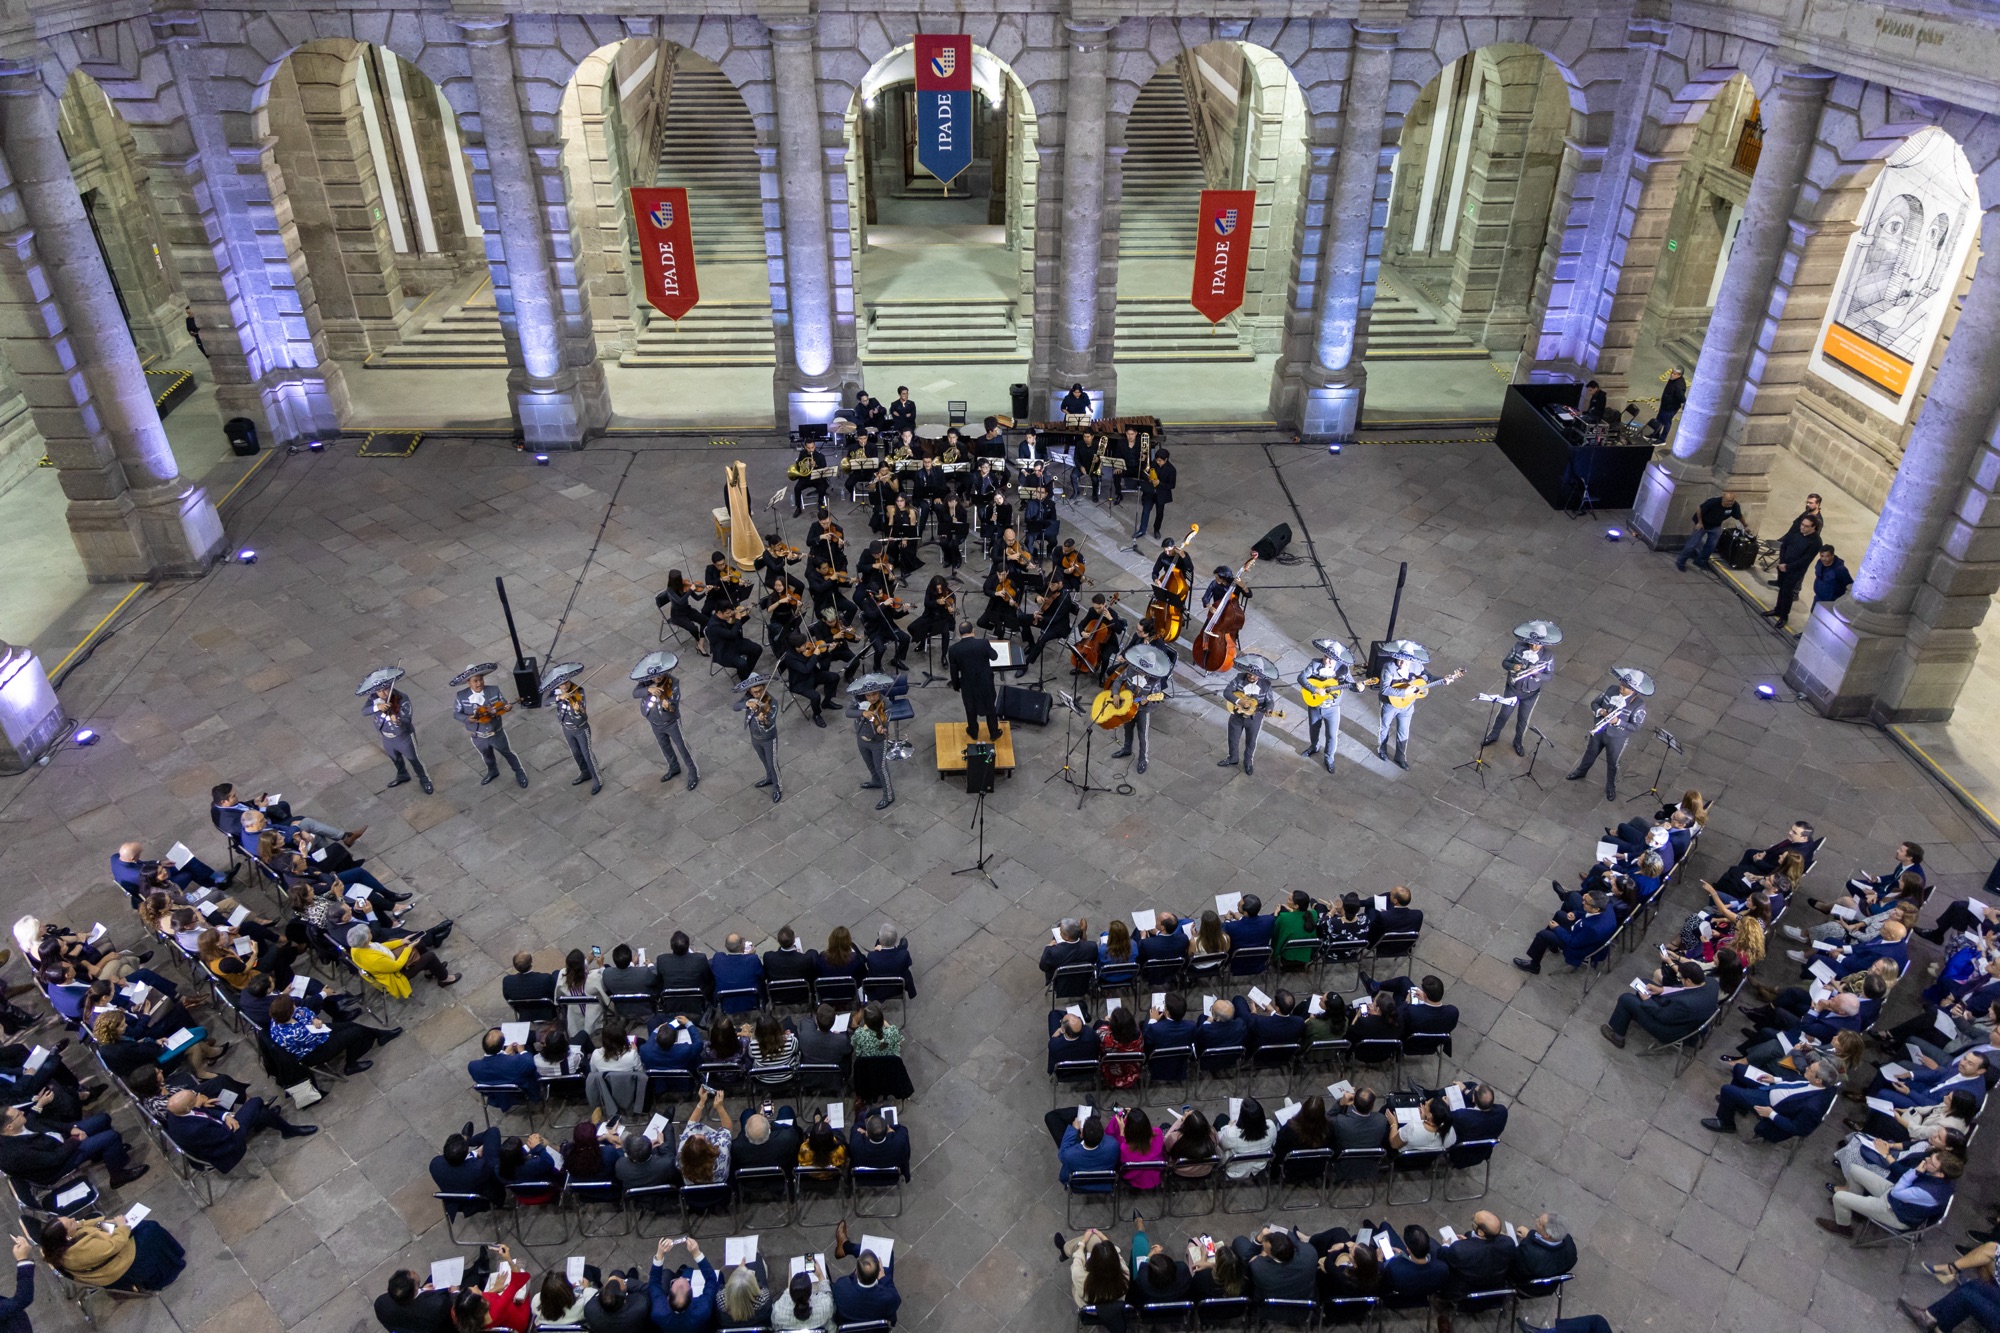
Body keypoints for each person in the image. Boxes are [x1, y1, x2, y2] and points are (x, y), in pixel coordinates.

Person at [161, 1087, 316, 1169]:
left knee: (260, 1112)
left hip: (218, 1129)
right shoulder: (192, 1128)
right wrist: (231, 1120)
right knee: (255, 1102)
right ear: (189, 1106)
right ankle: (284, 1129)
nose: (199, 1094)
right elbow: (223, 1136)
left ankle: (275, 1125)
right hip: (226, 1145)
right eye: (195, 1096)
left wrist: (225, 1116)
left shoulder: (177, 1112)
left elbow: (201, 1112)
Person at [1702, 1055, 1841, 1140]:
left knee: (1727, 1090)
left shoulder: (1813, 1107)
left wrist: (1771, 1114)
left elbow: (1799, 1128)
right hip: (1774, 1087)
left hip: (1771, 1104)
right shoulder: (1819, 1082)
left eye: (1810, 1070)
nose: (1806, 1069)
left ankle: (1726, 1123)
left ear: (1818, 1081)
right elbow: (1795, 1081)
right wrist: (1775, 1079)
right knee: (1739, 1068)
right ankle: (1738, 1104)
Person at [40, 1214, 185, 1292]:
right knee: (151, 1229)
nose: (73, 1219)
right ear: (66, 1236)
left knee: (143, 1225)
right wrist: (121, 1226)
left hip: (106, 1256)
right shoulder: (78, 1252)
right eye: (70, 1223)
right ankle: (166, 1268)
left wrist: (112, 1223)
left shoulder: (56, 1245)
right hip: (119, 1269)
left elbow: (90, 1226)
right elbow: (113, 1246)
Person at [1600, 959, 1718, 1048]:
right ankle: (1634, 1013)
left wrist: (1647, 999)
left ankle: (1618, 1037)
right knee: (1644, 983)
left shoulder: (1686, 1004)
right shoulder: (1711, 983)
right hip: (1679, 1014)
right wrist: (1662, 990)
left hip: (1669, 1029)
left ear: (1689, 980)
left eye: (1681, 978)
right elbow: (1682, 990)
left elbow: (1662, 1016)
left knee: (1625, 999)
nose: (1680, 980)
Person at [1566, 674, 1646, 801]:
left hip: (1617, 738)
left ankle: (1610, 787)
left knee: (1612, 763)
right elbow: (1595, 703)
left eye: (1625, 687)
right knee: (1590, 753)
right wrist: (1600, 711)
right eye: (1622, 684)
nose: (1621, 687)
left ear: (1633, 690)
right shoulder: (1611, 690)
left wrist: (1618, 722)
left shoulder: (1638, 705)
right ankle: (1581, 771)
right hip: (1599, 731)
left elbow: (1635, 727)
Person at [451, 664, 529, 788]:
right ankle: (493, 771)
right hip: (479, 736)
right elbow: (456, 713)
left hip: (496, 733)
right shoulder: (461, 696)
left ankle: (520, 772)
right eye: (475, 681)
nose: (479, 683)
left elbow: (502, 704)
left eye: (480, 679)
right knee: (487, 756)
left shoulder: (494, 690)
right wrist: (467, 718)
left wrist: (507, 707)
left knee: (507, 753)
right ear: (468, 682)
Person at [1512, 890, 1619, 974]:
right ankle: (1552, 944)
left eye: (1585, 902)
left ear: (1596, 909)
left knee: (1542, 935)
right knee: (1560, 914)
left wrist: (1557, 928)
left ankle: (1534, 966)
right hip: (1580, 933)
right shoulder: (1606, 905)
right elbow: (1588, 914)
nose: (1582, 902)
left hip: (1577, 946)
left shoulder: (1594, 929)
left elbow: (1573, 942)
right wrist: (1576, 914)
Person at [1484, 629, 1555, 757]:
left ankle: (1518, 742)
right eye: (1532, 643)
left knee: (1523, 719)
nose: (1533, 646)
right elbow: (1505, 662)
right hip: (1513, 688)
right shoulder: (1518, 647)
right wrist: (1513, 667)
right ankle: (1493, 734)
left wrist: (1537, 674)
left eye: (1537, 644)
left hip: (1530, 693)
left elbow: (1549, 676)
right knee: (1504, 713)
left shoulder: (1548, 656)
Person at [1297, 640, 1358, 774]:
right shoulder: (1315, 664)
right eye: (1325, 657)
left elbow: (1352, 685)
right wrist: (1314, 689)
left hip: (1332, 709)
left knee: (1331, 734)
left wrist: (1359, 688)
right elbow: (1301, 678)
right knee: (1313, 729)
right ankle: (1314, 747)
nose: (1327, 661)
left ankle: (1329, 757)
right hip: (1315, 705)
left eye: (1331, 659)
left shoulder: (1343, 669)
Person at [634, 667, 699, 790]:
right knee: (664, 745)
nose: (657, 678)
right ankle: (673, 766)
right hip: (654, 721)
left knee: (682, 746)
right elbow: (635, 693)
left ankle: (693, 772)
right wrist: (649, 689)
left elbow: (674, 704)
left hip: (671, 722)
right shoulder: (646, 681)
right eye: (654, 676)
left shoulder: (673, 682)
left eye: (659, 675)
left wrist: (668, 705)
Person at [830, 1220, 900, 1324]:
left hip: (849, 1325)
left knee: (867, 1258)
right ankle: (845, 1246)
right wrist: (884, 1279)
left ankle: (845, 1246)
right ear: (879, 1272)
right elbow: (895, 1302)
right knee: (888, 1253)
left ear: (856, 1271)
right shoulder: (890, 1297)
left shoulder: (841, 1287)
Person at [946, 621, 1002, 742]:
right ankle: (994, 733)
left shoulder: (954, 649)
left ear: (960, 633)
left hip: (968, 683)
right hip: (985, 682)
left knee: (970, 708)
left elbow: (954, 671)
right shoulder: (983, 643)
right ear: (973, 631)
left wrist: (956, 685)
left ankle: (973, 732)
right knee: (990, 708)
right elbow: (994, 657)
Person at [846, 681, 896, 812]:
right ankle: (876, 781)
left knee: (881, 768)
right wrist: (862, 713)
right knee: (870, 764)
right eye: (869, 696)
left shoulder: (886, 703)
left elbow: (886, 721)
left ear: (879, 692)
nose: (872, 698)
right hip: (862, 739)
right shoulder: (858, 701)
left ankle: (888, 795)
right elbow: (848, 713)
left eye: (875, 694)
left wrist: (881, 727)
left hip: (878, 742)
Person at [1767, 514, 1823, 629]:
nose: (1803, 528)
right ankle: (1777, 609)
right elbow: (1784, 546)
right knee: (1781, 588)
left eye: (1806, 526)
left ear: (1814, 528)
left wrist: (1788, 567)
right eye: (1802, 525)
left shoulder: (1816, 542)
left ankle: (1784, 616)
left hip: (1794, 571)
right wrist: (1782, 563)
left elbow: (1805, 560)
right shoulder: (1796, 532)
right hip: (1783, 566)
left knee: (1787, 592)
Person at [648, 1237, 716, 1333]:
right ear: (692, 1296)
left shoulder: (658, 1312)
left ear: (668, 1296)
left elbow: (654, 1283)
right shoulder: (703, 1309)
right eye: (686, 1281)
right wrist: (696, 1253)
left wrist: (660, 1254)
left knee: (669, 1273)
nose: (680, 1278)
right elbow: (712, 1280)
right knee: (688, 1271)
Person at [733, 674, 783, 803]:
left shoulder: (772, 701)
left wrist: (763, 720)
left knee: (772, 764)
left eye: (761, 690)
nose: (759, 694)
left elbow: (770, 723)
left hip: (768, 739)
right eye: (755, 692)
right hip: (755, 738)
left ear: (765, 687)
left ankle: (777, 787)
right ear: (750, 691)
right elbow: (735, 706)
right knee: (764, 760)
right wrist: (747, 703)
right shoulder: (749, 698)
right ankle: (769, 778)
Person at [1218, 668, 1278, 776]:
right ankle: (1232, 758)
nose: (1251, 677)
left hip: (1254, 718)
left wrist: (1269, 709)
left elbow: (1269, 701)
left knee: (1251, 741)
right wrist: (1239, 701)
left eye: (1255, 676)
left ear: (1259, 676)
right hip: (1237, 715)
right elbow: (1227, 692)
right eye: (1249, 674)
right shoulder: (1239, 678)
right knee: (1233, 738)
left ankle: (1248, 762)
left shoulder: (1266, 685)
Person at [549, 675, 601, 794]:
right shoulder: (557, 692)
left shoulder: (579, 691)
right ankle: (585, 772)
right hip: (566, 728)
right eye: (562, 685)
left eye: (566, 683)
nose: (565, 686)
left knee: (587, 754)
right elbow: (546, 702)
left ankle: (597, 779)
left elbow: (582, 718)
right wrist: (559, 697)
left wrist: (577, 711)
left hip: (580, 729)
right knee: (576, 753)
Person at [1675, 489, 1743, 572]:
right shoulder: (1713, 502)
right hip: (1703, 524)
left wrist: (1745, 525)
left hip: (1715, 526)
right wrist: (1699, 522)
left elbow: (1739, 516)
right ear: (1723, 498)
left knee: (1712, 545)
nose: (1730, 503)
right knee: (1692, 545)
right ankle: (1681, 562)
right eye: (1728, 501)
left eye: (1732, 501)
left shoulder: (1734, 506)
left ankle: (1700, 561)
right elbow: (1699, 508)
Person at [1512, 1214, 1577, 1280]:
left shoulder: (1529, 1251)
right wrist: (1529, 1234)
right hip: (1550, 1285)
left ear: (1547, 1235)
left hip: (1527, 1285)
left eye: (1539, 1223)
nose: (1536, 1220)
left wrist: (1529, 1237)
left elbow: (1515, 1266)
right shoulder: (1569, 1242)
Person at [1133, 445, 1175, 543]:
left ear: (1166, 459)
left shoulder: (1171, 470)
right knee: (1145, 511)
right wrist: (1147, 477)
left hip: (1161, 494)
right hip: (1150, 492)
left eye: (1160, 460)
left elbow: (1172, 485)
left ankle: (1156, 530)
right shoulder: (1154, 463)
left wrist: (1160, 483)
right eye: (1157, 460)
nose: (1158, 462)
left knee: (1159, 513)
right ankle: (1142, 530)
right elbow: (1145, 472)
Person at [1646, 367, 1687, 441]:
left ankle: (1662, 439)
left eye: (1675, 373)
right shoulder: (1673, 380)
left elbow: (1681, 398)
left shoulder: (1679, 385)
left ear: (1679, 375)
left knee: (1666, 423)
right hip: (1665, 405)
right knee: (1659, 420)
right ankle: (1656, 434)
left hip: (1670, 408)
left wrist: (1673, 401)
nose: (1672, 374)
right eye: (1672, 372)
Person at [1813, 543, 1853, 615]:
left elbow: (1849, 584)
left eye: (1827, 556)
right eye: (1822, 556)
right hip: (1818, 598)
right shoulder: (1819, 563)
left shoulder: (1840, 570)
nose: (1824, 559)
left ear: (1832, 556)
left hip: (1830, 602)